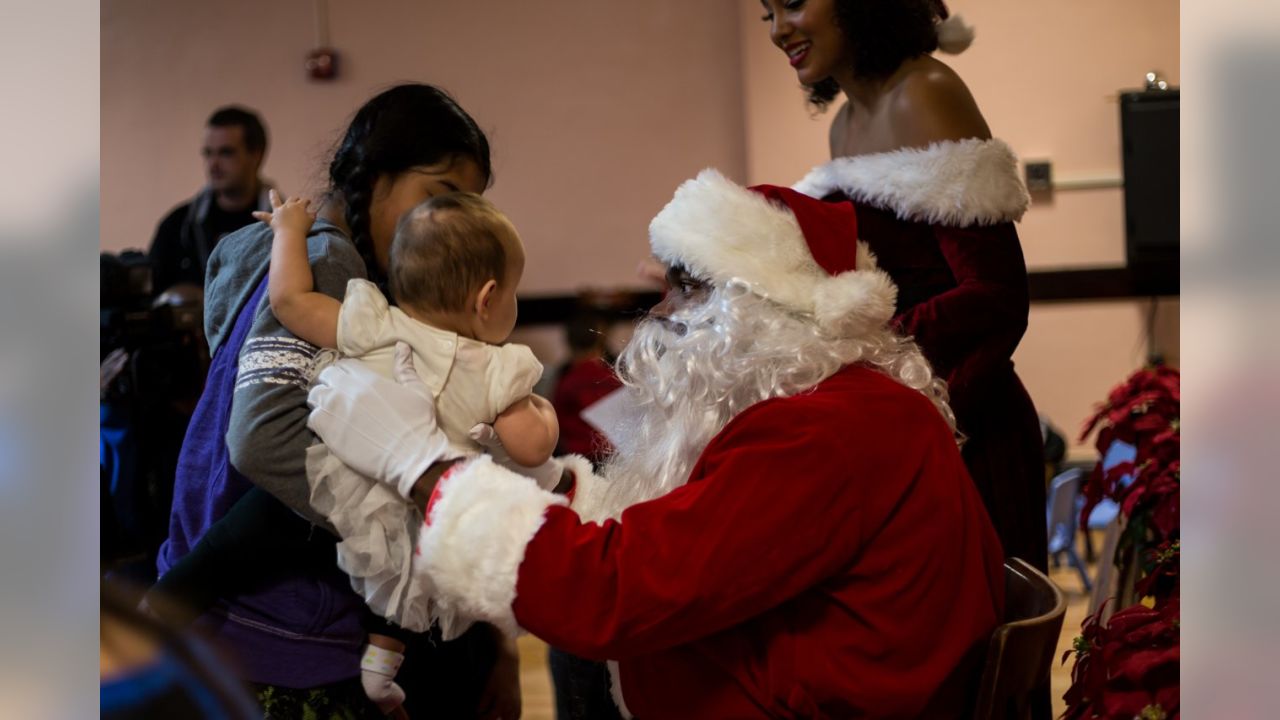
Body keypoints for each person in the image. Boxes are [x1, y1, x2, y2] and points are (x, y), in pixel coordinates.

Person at [308, 169, 1006, 718]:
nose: (662, 314)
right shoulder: (842, 404)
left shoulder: (825, 431)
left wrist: (419, 464)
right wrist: (552, 485)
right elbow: (689, 538)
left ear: (764, 309)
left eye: (685, 289)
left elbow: (612, 594)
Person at [155, 84, 520, 719]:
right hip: (272, 629)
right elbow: (260, 440)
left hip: (229, 606)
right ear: (373, 175)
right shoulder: (329, 266)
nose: (450, 226)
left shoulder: (267, 249)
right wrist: (404, 506)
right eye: (437, 198)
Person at [762, 0, 1049, 575]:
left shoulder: (925, 91)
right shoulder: (845, 122)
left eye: (791, 4)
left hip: (965, 428)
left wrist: (865, 361)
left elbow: (995, 298)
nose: (777, 30)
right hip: (907, 426)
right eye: (764, 14)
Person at [148, 106, 275, 296]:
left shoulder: (286, 226)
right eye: (208, 153)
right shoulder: (178, 226)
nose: (213, 164)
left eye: (226, 153)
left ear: (256, 155)